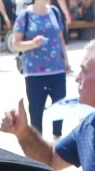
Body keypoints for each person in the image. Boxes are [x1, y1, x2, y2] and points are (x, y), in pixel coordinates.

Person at [0, 34, 95, 171]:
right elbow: (49, 160)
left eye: (84, 71)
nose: (77, 78)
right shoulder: (88, 127)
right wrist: (23, 132)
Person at [13, 0, 69, 131]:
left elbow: (60, 38)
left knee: (60, 111)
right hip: (34, 73)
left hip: (57, 70)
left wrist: (66, 60)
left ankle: (57, 142)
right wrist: (33, 43)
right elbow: (16, 44)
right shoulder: (25, 15)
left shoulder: (54, 11)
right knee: (36, 113)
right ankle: (37, 147)